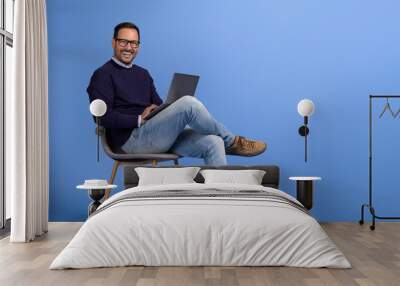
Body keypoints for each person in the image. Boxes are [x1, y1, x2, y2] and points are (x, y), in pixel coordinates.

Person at [87, 22, 266, 166]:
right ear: (113, 42)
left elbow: (157, 105)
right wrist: (138, 119)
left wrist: (162, 110)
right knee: (188, 103)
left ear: (138, 46)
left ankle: (219, 199)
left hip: (156, 135)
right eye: (123, 42)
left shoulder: (143, 74)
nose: (129, 47)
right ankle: (233, 142)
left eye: (134, 43)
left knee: (213, 142)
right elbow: (102, 118)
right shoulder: (102, 75)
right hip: (130, 141)